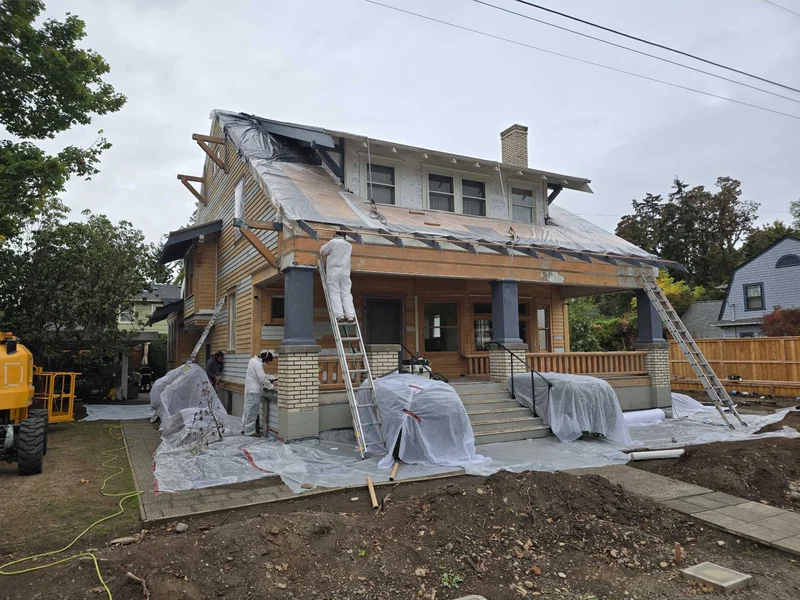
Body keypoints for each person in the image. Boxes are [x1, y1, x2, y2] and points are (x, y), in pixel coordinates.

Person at [320, 231, 355, 323]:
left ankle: (339, 315)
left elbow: (322, 251)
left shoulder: (333, 242)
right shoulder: (349, 245)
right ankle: (350, 315)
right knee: (346, 293)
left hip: (334, 271)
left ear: (336, 235)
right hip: (345, 272)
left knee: (334, 292)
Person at [243, 350, 277, 436]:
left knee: (247, 410)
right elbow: (262, 377)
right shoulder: (258, 364)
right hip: (254, 391)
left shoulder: (252, 360)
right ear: (264, 359)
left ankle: (244, 429)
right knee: (252, 411)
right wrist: (272, 386)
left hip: (249, 389)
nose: (267, 363)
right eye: (267, 362)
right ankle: (249, 432)